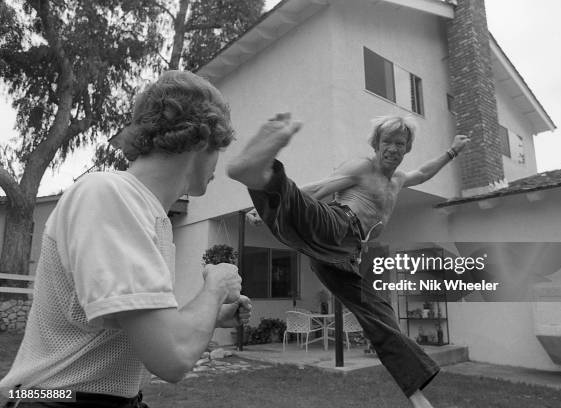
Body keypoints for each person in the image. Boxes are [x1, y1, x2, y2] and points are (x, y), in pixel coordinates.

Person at [0, 71, 252, 408]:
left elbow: (145, 329)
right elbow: (172, 358)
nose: (217, 165)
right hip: (51, 398)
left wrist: (209, 315)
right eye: (221, 148)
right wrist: (216, 286)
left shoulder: (149, 217)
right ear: (204, 139)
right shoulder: (109, 196)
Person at [227, 113, 469, 408]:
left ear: (407, 148)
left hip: (346, 258)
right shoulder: (363, 168)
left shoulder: (400, 179)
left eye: (399, 143)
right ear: (377, 144)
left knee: (380, 315)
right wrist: (267, 212)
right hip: (341, 224)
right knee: (316, 216)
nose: (392, 148)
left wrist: (453, 151)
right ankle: (263, 177)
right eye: (387, 142)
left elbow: (425, 173)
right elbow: (318, 190)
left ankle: (416, 396)